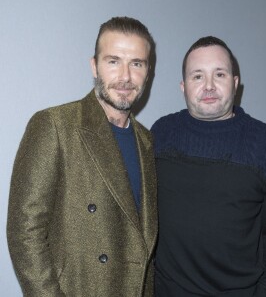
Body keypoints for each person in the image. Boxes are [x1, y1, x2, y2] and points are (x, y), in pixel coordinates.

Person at [7, 16, 157, 297]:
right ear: (94, 66)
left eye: (136, 63)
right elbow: (24, 232)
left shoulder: (147, 141)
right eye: (113, 61)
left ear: (147, 72)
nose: (125, 76)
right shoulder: (54, 125)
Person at [151, 36, 266, 297]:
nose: (208, 86)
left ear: (235, 82)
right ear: (183, 86)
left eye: (219, 74)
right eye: (197, 76)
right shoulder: (161, 134)